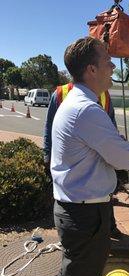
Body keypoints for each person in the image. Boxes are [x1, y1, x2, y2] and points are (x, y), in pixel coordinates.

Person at [49, 36, 129, 276]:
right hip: (86, 215)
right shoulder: (87, 109)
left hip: (73, 209)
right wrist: (126, 146)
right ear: (91, 70)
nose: (113, 66)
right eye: (107, 61)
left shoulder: (76, 102)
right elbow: (125, 158)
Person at [44, 82, 122, 239]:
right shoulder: (60, 93)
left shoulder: (104, 94)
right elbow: (50, 126)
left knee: (105, 194)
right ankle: (74, 232)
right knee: (72, 197)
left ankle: (109, 226)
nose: (112, 67)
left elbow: (111, 125)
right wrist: (47, 154)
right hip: (71, 158)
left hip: (98, 157)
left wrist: (115, 144)